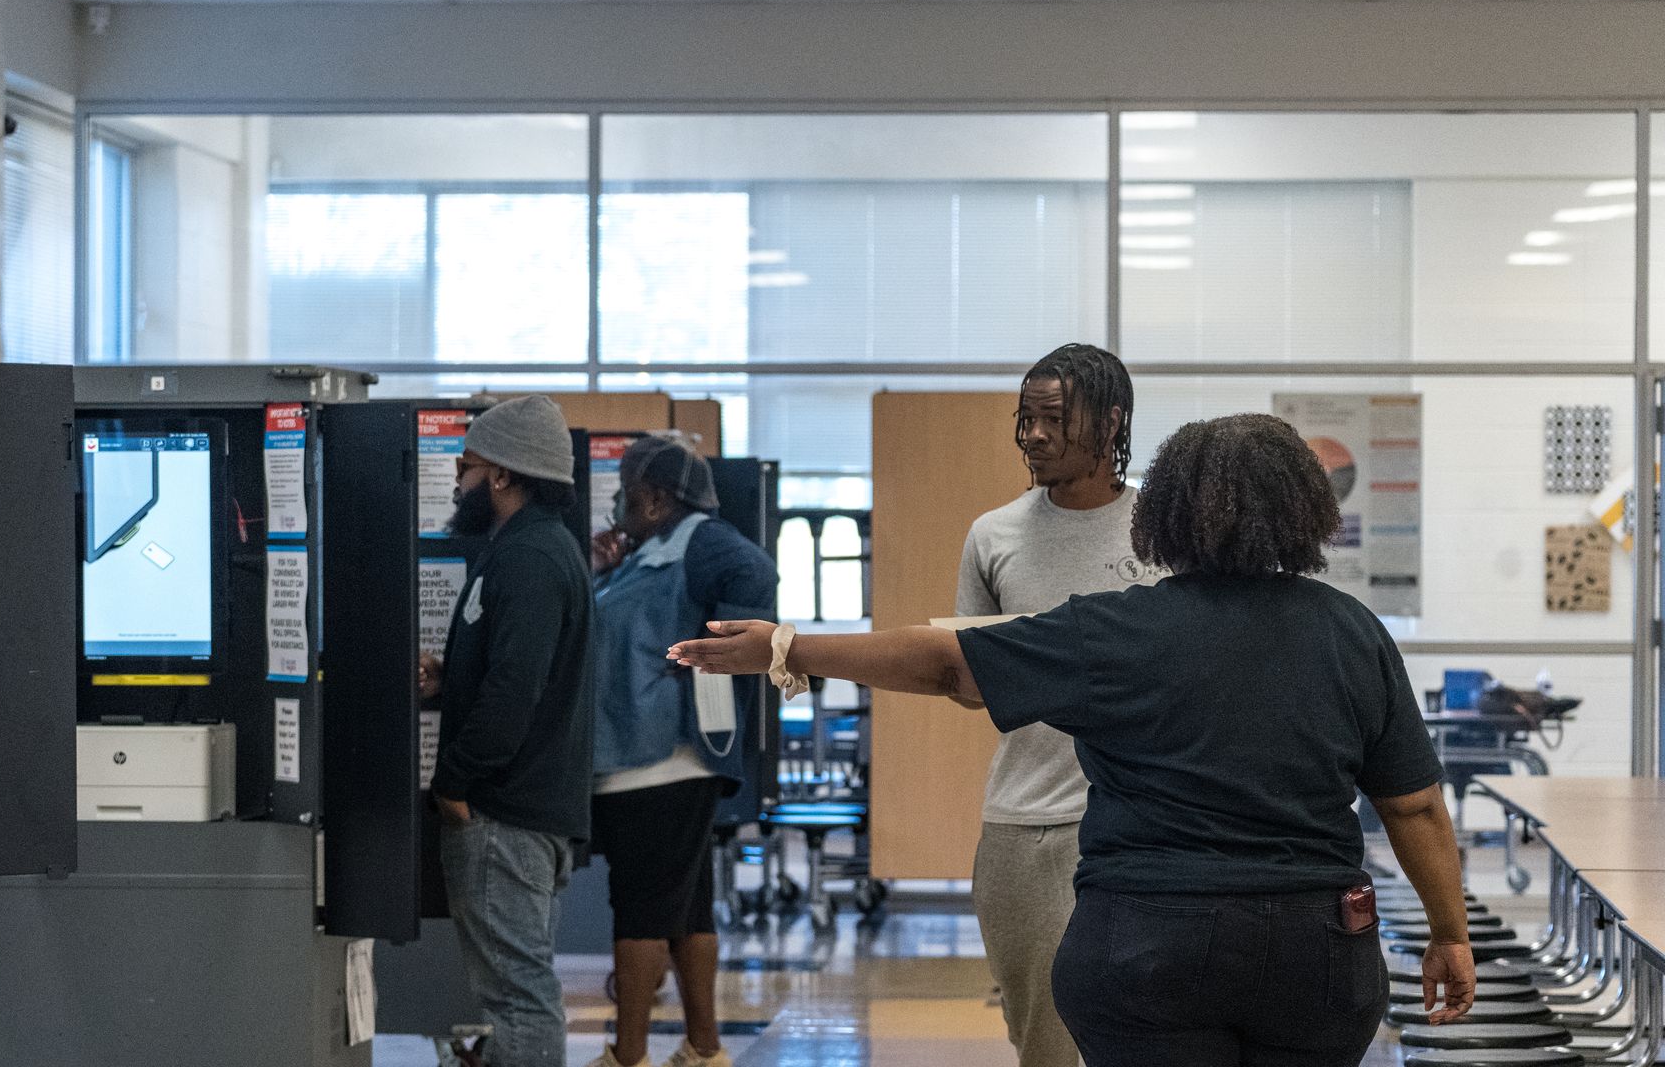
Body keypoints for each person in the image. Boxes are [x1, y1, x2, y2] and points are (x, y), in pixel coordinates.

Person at [669, 413, 1477, 1067]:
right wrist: (1448, 935)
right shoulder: (1352, 631)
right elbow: (1413, 808)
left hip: (1148, 943)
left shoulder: (1118, 628)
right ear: (1307, 511)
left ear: (1166, 512)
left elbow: (949, 663)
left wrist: (789, 648)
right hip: (1317, 950)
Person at [959, 343, 1162, 1067]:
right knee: (1041, 1041)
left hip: (1145, 822)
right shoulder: (994, 535)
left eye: (1053, 419)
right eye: (1026, 419)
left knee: (1143, 1032)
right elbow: (970, 677)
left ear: (1110, 424)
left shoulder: (1163, 530)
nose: (1034, 436)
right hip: (1025, 824)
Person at [583, 435, 777, 1067]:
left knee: (638, 907)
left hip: (664, 761)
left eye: (626, 490)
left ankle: (628, 1056)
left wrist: (709, 658)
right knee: (686, 907)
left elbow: (757, 574)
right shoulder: (649, 551)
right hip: (640, 758)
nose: (616, 502)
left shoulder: (700, 540)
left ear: (657, 499)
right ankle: (703, 1048)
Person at [421, 395, 596, 1067]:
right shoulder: (532, 551)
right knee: (515, 994)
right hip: (524, 813)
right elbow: (517, 672)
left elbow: (514, 693)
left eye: (466, 465)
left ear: (500, 475)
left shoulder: (529, 560)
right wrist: (450, 676)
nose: (457, 481)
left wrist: (454, 786)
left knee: (518, 1001)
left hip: (504, 817)